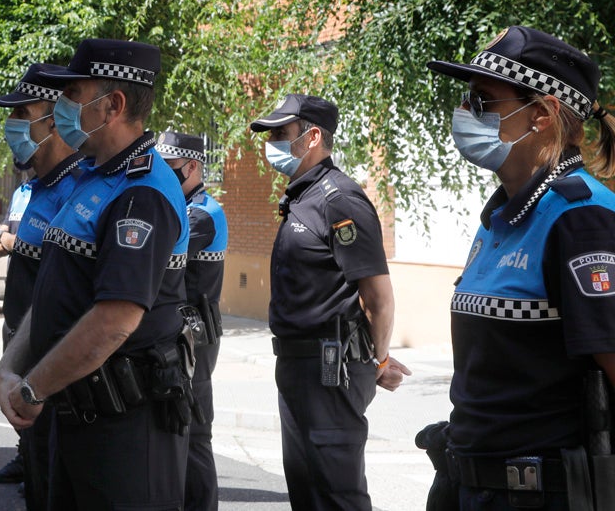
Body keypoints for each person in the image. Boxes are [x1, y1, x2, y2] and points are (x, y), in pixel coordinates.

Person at [0, 39, 192, 510]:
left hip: (125, 428)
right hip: (76, 412)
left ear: (113, 106)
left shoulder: (142, 192)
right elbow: (52, 293)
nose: (63, 107)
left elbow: (114, 320)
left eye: (73, 95)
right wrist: (12, 365)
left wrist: (33, 386)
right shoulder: (92, 176)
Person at [425, 26, 615, 510]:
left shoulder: (580, 219)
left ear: (542, 116)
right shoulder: (500, 215)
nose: (466, 114)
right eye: (468, 100)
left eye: (484, 102)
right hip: (474, 488)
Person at [250, 94, 409, 510]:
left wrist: (379, 359)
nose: (272, 144)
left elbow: (378, 297)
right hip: (298, 367)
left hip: (330, 369)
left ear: (313, 136)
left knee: (336, 495)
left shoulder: (338, 199)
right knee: (307, 494)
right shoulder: (303, 198)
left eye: (281, 134)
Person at [0, 63, 83, 508]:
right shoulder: (42, 186)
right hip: (27, 353)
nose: (12, 126)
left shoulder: (80, 189)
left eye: (22, 114)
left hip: (55, 373)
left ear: (57, 120)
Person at [156, 131, 228, 511]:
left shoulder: (203, 212)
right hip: (172, 336)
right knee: (171, 427)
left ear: (193, 167)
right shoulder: (177, 206)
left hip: (195, 340)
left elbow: (159, 247)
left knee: (195, 431)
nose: (163, 176)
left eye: (170, 169)